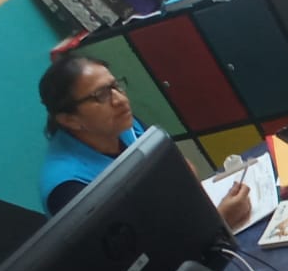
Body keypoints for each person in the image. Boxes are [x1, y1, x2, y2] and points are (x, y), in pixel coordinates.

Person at [37, 54, 252, 227]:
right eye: (101, 95)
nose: (120, 100)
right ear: (69, 119)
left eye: (115, 86)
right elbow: (134, 256)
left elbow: (185, 171)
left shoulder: (121, 124)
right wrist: (220, 220)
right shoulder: (68, 188)